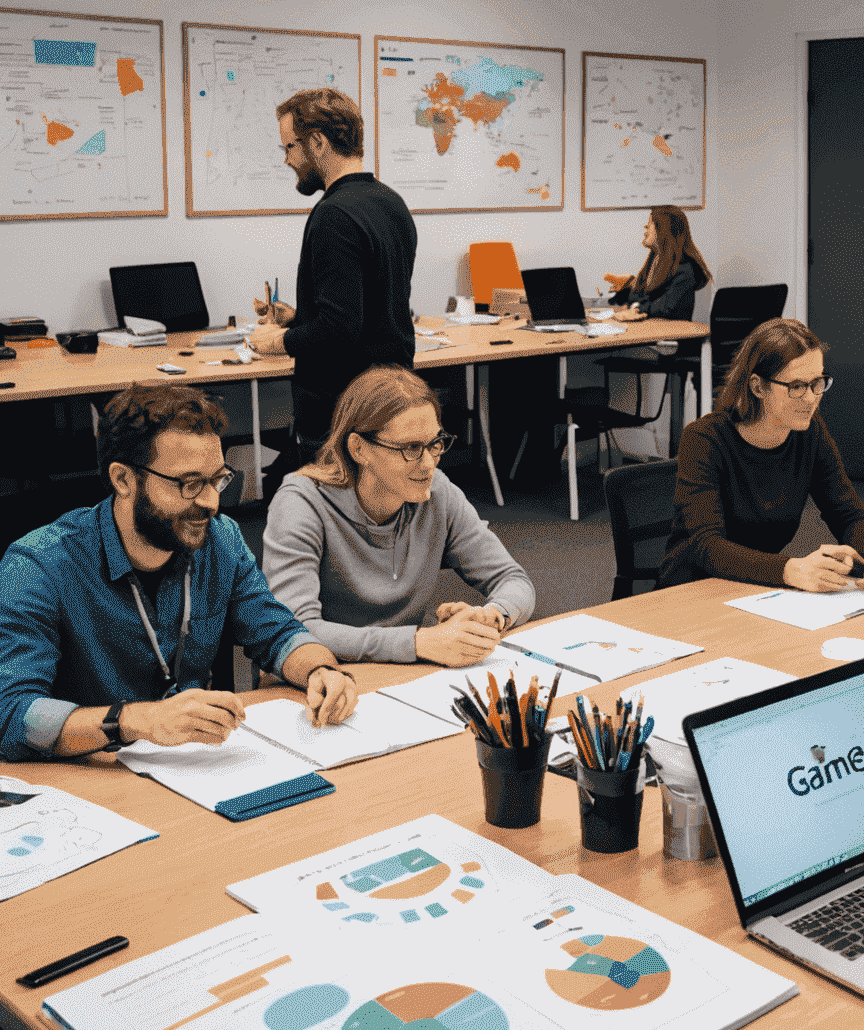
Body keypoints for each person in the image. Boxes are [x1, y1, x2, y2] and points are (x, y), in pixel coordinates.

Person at [0, 385, 357, 763]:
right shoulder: (38, 566)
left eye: (217, 479)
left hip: (191, 766)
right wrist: (137, 720)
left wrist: (320, 669)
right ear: (124, 480)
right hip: (90, 776)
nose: (210, 502)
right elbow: (12, 716)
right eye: (189, 484)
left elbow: (277, 632)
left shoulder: (220, 540)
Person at [262, 366, 535, 664]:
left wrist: (490, 616)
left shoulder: (437, 492)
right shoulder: (300, 503)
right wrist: (416, 642)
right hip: (322, 677)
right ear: (359, 449)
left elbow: (513, 579)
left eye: (434, 444)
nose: (429, 463)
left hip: (404, 669)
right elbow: (295, 631)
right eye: (410, 448)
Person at [247, 87, 417, 476]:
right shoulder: (390, 202)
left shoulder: (334, 215)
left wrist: (275, 341)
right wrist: (300, 316)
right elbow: (372, 307)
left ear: (318, 142)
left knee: (335, 526)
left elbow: (340, 329)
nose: (288, 160)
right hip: (389, 399)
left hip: (342, 413)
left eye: (290, 147)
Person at [657, 317, 864, 593]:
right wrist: (790, 569)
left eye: (817, 383)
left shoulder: (809, 432)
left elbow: (848, 513)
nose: (811, 398)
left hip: (759, 588)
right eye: (796, 387)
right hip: (693, 588)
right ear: (758, 387)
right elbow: (708, 547)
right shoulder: (704, 439)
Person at [606, 204, 712, 323]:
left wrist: (637, 308)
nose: (644, 226)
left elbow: (665, 307)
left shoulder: (685, 268)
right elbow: (637, 297)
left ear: (664, 229)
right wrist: (630, 285)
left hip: (673, 337)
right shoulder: (655, 260)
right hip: (653, 331)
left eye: (650, 224)